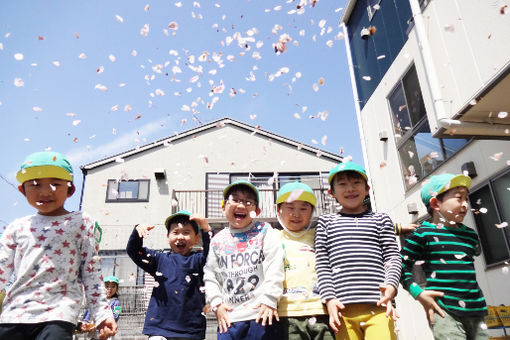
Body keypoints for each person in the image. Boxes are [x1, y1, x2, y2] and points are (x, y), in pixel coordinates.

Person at [0, 151, 116, 340]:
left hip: (59, 313)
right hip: (14, 314)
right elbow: (1, 270)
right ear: (23, 190)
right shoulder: (16, 227)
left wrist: (102, 314)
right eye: (35, 185)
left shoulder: (80, 222)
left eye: (55, 184)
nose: (45, 191)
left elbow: (91, 271)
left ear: (70, 189)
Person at [315, 161, 401, 340]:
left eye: (356, 183)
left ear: (367, 188)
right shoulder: (326, 222)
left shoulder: (380, 219)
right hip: (342, 310)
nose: (350, 189)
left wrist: (391, 287)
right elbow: (322, 265)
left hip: (379, 306)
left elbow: (392, 257)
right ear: (332, 193)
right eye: (342, 184)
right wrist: (329, 299)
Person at [400, 173, 488, 339]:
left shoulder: (470, 235)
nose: (465, 204)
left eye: (466, 199)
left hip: (475, 309)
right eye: (458, 198)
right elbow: (401, 265)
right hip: (444, 310)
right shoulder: (422, 233)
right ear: (436, 203)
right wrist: (418, 292)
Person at [204, 180, 284, 339]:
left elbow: (275, 265)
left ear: (257, 210)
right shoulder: (217, 240)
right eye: (235, 199)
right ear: (223, 207)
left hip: (260, 314)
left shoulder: (264, 230)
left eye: (248, 202)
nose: (241, 205)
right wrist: (217, 304)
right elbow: (211, 276)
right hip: (229, 318)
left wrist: (270, 299)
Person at [126, 210, 211, 340]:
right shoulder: (159, 259)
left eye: (186, 232)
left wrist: (206, 229)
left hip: (191, 331)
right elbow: (134, 251)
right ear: (167, 237)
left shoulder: (199, 260)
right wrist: (137, 233)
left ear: (197, 238)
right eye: (175, 232)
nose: (180, 237)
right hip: (160, 329)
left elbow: (214, 253)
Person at [275, 181, 335, 340]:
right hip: (287, 314)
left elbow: (352, 228)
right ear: (278, 210)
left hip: (321, 310)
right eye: (290, 207)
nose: (296, 213)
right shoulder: (272, 237)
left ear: (312, 212)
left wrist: (396, 227)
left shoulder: (320, 235)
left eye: (303, 208)